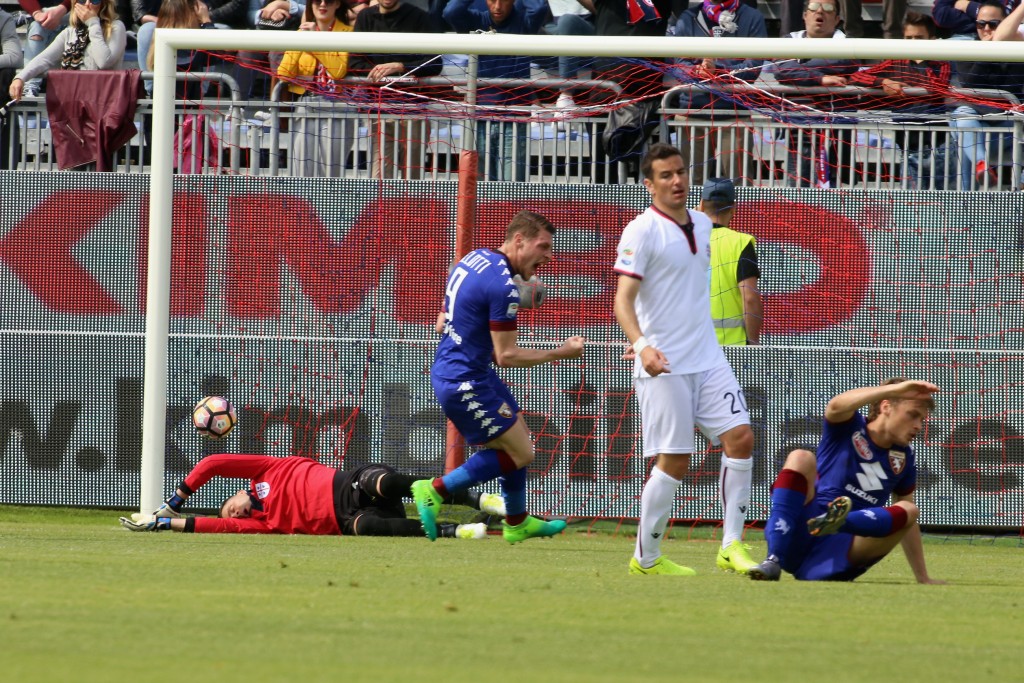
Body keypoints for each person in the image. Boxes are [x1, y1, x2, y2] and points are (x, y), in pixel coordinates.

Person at [613, 143, 757, 576]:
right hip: (665, 364)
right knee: (674, 461)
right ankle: (647, 559)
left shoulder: (701, 222)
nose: (676, 180)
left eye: (680, 172)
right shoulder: (640, 230)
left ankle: (731, 545)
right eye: (665, 175)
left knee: (742, 438)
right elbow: (623, 300)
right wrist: (642, 345)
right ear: (649, 184)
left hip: (708, 356)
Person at [412, 210, 585, 544]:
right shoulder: (503, 287)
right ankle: (434, 490)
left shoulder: (473, 258)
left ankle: (517, 522)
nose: (548, 256)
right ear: (519, 240)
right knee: (523, 454)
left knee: (517, 433)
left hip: (469, 370)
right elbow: (506, 355)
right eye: (543, 246)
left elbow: (440, 322)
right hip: (465, 381)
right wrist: (560, 352)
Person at [748, 378, 944, 583]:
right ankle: (773, 560)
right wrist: (897, 389)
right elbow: (835, 405)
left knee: (909, 509)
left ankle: (838, 522)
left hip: (844, 550)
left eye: (922, 420)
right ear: (886, 406)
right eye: (913, 415)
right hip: (803, 531)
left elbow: (908, 521)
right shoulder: (850, 426)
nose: (918, 426)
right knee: (800, 456)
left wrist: (923, 577)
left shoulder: (904, 456)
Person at [119, 453, 506, 537]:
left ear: (235, 495)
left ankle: (472, 498)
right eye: (233, 518)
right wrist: (167, 523)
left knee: (382, 482)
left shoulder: (263, 471)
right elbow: (214, 526)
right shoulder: (264, 523)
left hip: (347, 483)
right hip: (341, 519)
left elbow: (213, 462)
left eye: (230, 509)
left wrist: (175, 499)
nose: (232, 515)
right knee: (370, 527)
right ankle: (459, 530)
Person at [442, 0, 549, 181]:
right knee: (483, 188)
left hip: (514, 117)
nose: (497, 7)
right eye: (492, 0)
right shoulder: (476, 22)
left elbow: (539, 8)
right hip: (480, 117)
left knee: (511, 186)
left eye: (503, 0)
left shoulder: (524, 22)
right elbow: (451, 11)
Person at [671, 0, 767, 183]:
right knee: (690, 185)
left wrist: (718, 71)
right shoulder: (687, 17)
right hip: (692, 114)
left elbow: (753, 68)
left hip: (734, 114)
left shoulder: (752, 17)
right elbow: (678, 65)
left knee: (738, 186)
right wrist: (697, 71)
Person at [769, 0, 859, 188]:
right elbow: (781, 69)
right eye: (814, 7)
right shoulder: (789, 40)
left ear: (837, 19)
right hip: (797, 131)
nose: (820, 12)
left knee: (831, 195)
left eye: (827, 9)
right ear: (804, 15)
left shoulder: (847, 45)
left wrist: (800, 67)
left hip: (834, 137)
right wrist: (820, 78)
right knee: (797, 190)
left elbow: (845, 63)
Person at [350, 0, 444, 180]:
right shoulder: (365, 17)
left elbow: (434, 63)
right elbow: (354, 63)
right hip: (380, 110)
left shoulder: (420, 17)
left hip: (413, 111)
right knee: (381, 176)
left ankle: (413, 208)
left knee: (412, 176)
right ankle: (383, 209)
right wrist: (380, 70)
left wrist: (400, 66)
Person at [948, 0, 1024, 189]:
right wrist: (987, 53)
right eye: (981, 24)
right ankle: (981, 168)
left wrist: (995, 48)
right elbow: (972, 83)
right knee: (964, 118)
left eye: (993, 24)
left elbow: (1012, 88)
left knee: (965, 126)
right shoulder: (967, 49)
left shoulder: (1016, 50)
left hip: (1007, 129)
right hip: (975, 126)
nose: (986, 29)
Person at [277, 0, 355, 177]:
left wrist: (314, 42)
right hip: (306, 102)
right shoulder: (302, 32)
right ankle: (303, 206)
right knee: (301, 171)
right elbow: (284, 73)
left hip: (338, 105)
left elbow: (338, 71)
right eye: (316, 1)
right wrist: (301, 38)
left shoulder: (347, 32)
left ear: (337, 5)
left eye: (328, 1)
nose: (322, 4)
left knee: (330, 173)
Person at [9, 0, 127, 103]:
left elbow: (104, 61)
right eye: (81, 1)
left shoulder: (116, 27)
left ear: (104, 4)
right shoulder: (71, 32)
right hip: (72, 102)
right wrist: (20, 78)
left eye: (94, 0)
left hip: (103, 102)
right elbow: (44, 58)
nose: (87, 4)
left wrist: (92, 23)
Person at [700, 178, 762, 346]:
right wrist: (753, 343)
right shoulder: (740, 243)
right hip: (731, 349)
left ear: (701, 205)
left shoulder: (684, 240)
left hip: (688, 349)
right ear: (733, 209)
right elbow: (749, 298)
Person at [17, 0, 71, 96]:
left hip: (77, 13)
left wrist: (62, 9)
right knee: (37, 27)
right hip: (44, 16)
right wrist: (37, 13)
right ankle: (30, 87)